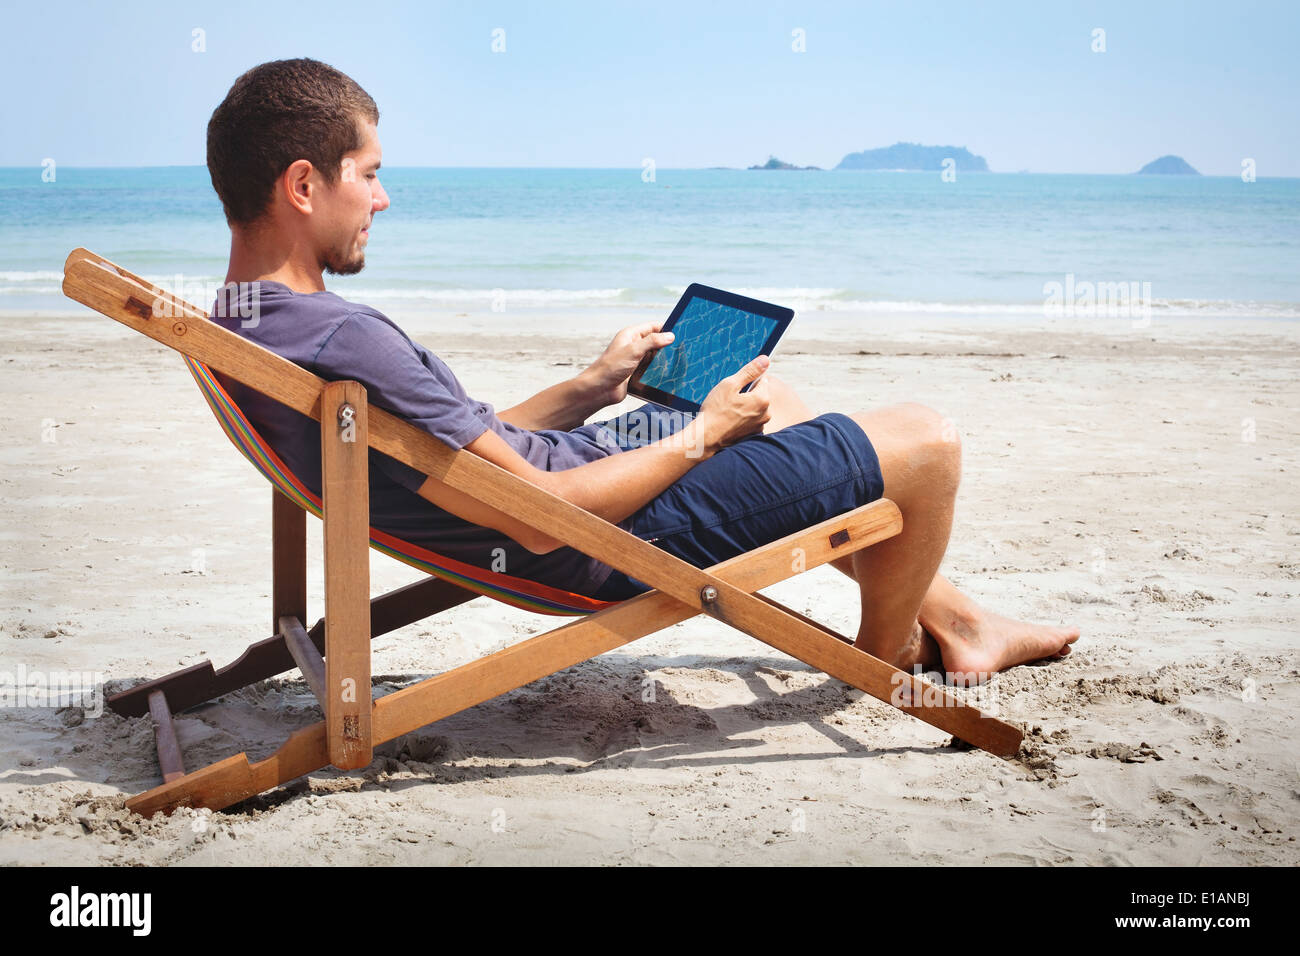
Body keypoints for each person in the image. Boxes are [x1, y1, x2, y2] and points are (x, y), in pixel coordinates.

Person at [205, 58, 1079, 685]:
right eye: (370, 174)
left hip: (573, 484)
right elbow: (540, 524)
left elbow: (453, 455)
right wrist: (703, 437)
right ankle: (887, 653)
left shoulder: (250, 321)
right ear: (303, 186)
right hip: (606, 536)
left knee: (778, 397)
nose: (384, 199)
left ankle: (959, 622)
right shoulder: (347, 339)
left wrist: (592, 385)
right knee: (929, 441)